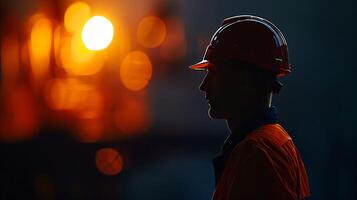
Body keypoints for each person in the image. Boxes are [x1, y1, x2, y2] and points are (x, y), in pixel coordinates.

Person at [190, 15, 311, 200]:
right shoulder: (277, 140)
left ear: (244, 81)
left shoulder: (255, 152)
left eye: (213, 73)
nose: (203, 86)